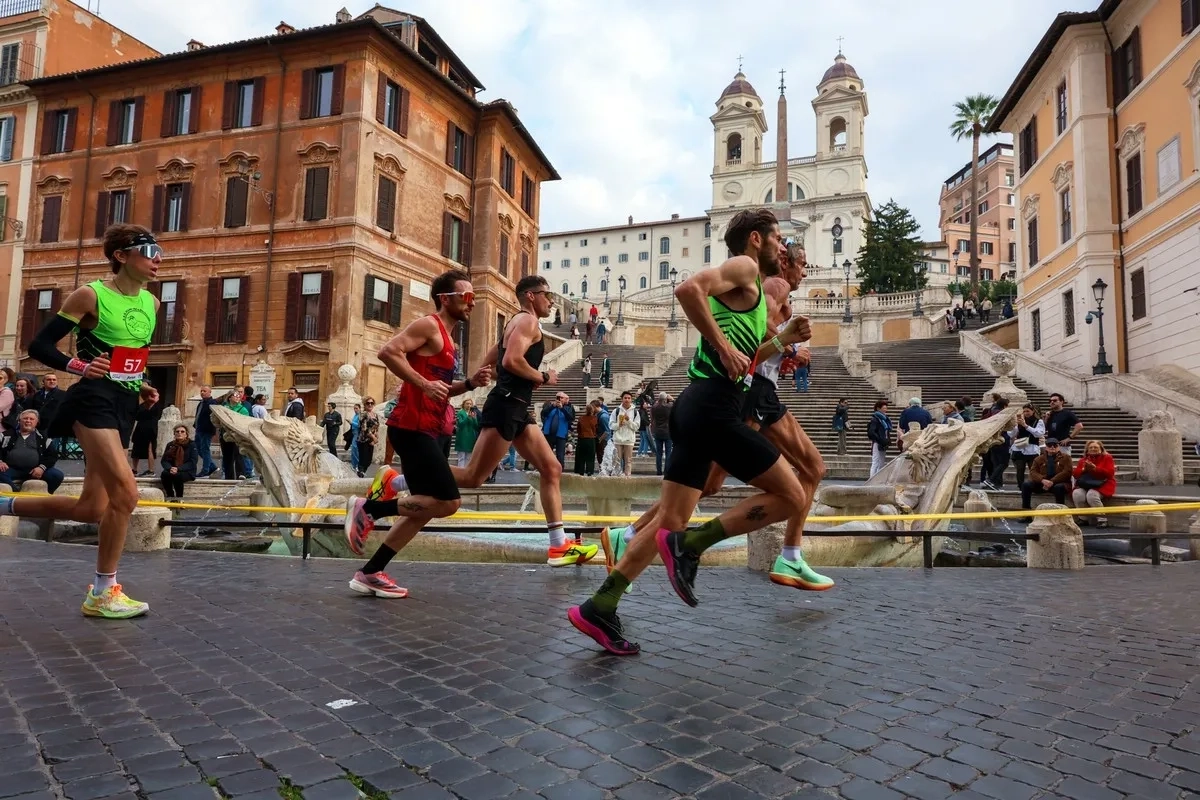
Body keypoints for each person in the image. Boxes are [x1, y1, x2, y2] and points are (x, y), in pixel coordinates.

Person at [568, 208, 812, 656]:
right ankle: (692, 546)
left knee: (668, 521)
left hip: (698, 407)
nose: (783, 246)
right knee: (793, 494)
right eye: (778, 238)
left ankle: (599, 605)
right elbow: (686, 290)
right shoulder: (744, 266)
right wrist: (722, 345)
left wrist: (782, 339)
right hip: (713, 410)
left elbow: (746, 359)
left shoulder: (751, 290)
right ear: (756, 239)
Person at [604, 241, 830, 596]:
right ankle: (786, 555)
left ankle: (622, 553)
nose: (804, 271)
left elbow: (757, 335)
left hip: (738, 394)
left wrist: (784, 348)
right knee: (808, 473)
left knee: (706, 487)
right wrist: (788, 345)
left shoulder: (766, 286)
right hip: (750, 394)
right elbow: (757, 335)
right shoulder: (774, 284)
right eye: (801, 264)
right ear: (784, 261)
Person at [359, 275, 598, 567]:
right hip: (503, 407)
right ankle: (395, 483)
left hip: (515, 406)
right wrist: (542, 376)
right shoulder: (526, 322)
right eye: (547, 295)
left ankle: (558, 545)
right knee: (472, 478)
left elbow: (492, 366)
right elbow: (509, 361)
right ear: (531, 296)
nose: (551, 301)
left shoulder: (512, 324)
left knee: (552, 468)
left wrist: (512, 377)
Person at [11, 223, 160, 618]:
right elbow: (39, 345)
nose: (157, 259)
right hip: (92, 400)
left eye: (159, 251)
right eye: (148, 251)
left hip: (124, 404)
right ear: (121, 256)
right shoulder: (91, 295)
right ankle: (102, 591)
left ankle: (6, 504)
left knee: (91, 509)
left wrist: (142, 384)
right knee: (126, 495)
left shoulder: (152, 303)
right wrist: (77, 365)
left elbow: (130, 355)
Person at [342, 269, 492, 598]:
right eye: (467, 296)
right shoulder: (428, 325)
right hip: (413, 426)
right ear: (445, 299)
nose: (472, 303)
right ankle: (369, 509)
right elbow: (388, 351)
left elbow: (441, 388)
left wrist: (469, 383)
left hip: (433, 427)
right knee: (449, 502)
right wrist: (423, 383)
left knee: (424, 508)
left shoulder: (449, 341)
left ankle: (370, 572)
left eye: (473, 298)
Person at [0, 409, 64, 493]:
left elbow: (52, 456)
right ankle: (16, 494)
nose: (28, 421)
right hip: (11, 469)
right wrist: (0, 461)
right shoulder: (6, 435)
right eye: (25, 418)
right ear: (19, 421)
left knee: (57, 475)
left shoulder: (43, 438)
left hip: (34, 470)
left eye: (31, 419)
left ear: (37, 422)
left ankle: (45, 496)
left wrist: (41, 468)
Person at [1019, 438, 1072, 519]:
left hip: (1059, 483)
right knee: (1026, 485)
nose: (1052, 447)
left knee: (1059, 488)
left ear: (1058, 447)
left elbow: (1067, 472)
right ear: (1046, 447)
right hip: (1043, 483)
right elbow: (1033, 472)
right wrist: (1042, 480)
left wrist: (1052, 481)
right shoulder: (1039, 458)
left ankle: (1060, 515)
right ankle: (1026, 513)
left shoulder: (1066, 457)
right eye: (1049, 445)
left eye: (1055, 445)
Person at [1071, 439, 1115, 528]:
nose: (1093, 449)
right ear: (1087, 449)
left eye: (1095, 447)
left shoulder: (1107, 458)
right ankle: (1083, 518)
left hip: (1102, 484)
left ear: (1101, 449)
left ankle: (1102, 519)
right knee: (1077, 494)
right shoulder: (1083, 460)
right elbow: (1075, 474)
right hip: (1086, 483)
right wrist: (1084, 469)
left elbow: (1110, 474)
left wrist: (1095, 468)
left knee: (1091, 495)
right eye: (1091, 447)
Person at [128, 384, 162, 476]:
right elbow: (137, 416)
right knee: (136, 450)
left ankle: (151, 470)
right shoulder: (142, 405)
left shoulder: (156, 405)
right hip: (140, 428)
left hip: (151, 429)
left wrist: (152, 401)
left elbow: (156, 415)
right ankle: (134, 469)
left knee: (150, 449)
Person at [159, 424, 199, 498]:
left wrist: (178, 469)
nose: (179, 433)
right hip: (172, 469)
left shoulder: (192, 445)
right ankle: (170, 495)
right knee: (164, 474)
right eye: (177, 431)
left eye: (182, 431)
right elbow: (164, 460)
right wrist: (170, 468)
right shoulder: (170, 445)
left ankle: (179, 498)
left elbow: (193, 462)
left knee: (177, 476)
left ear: (186, 434)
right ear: (174, 434)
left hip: (187, 471)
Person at [192, 385, 219, 477]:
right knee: (198, 448)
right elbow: (198, 415)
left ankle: (205, 470)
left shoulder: (212, 403)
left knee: (205, 449)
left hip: (207, 430)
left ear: (210, 392)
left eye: (204, 391)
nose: (202, 392)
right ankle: (212, 466)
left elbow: (214, 417)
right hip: (199, 429)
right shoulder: (201, 402)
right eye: (201, 391)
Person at [609, 392, 638, 476]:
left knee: (628, 461)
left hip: (629, 440)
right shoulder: (616, 411)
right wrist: (618, 425)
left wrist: (628, 421)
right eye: (625, 398)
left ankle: (627, 477)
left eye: (629, 398)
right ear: (622, 399)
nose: (627, 400)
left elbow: (636, 427)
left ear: (631, 400)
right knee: (616, 461)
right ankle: (616, 477)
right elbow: (611, 425)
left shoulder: (635, 412)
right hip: (618, 439)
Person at [355, 397, 380, 478]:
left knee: (369, 460)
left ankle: (361, 472)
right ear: (364, 405)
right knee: (363, 459)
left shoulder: (375, 415)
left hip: (371, 440)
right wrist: (373, 437)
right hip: (363, 439)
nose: (370, 405)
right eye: (368, 403)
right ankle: (360, 473)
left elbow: (376, 426)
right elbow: (364, 429)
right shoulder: (363, 414)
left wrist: (376, 435)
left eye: (371, 403)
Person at [867, 399, 892, 476]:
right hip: (877, 442)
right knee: (876, 461)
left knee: (881, 462)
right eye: (884, 408)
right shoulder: (875, 419)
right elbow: (871, 432)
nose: (885, 410)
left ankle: (879, 478)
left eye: (886, 408)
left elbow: (886, 431)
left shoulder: (884, 419)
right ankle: (872, 479)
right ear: (878, 408)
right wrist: (879, 439)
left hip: (883, 442)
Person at [574, 401, 600, 476]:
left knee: (581, 456)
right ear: (592, 410)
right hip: (591, 439)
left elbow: (578, 429)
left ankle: (580, 470)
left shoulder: (581, 418)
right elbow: (596, 429)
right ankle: (589, 471)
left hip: (582, 439)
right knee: (590, 456)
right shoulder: (595, 419)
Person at [454, 398, 480, 467]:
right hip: (462, 438)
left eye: (470, 404)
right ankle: (461, 471)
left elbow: (476, 427)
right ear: (464, 404)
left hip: (470, 438)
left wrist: (474, 419)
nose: (469, 405)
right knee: (461, 458)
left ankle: (466, 472)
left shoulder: (473, 413)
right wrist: (468, 417)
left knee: (469, 458)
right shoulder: (460, 413)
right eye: (467, 404)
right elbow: (460, 424)